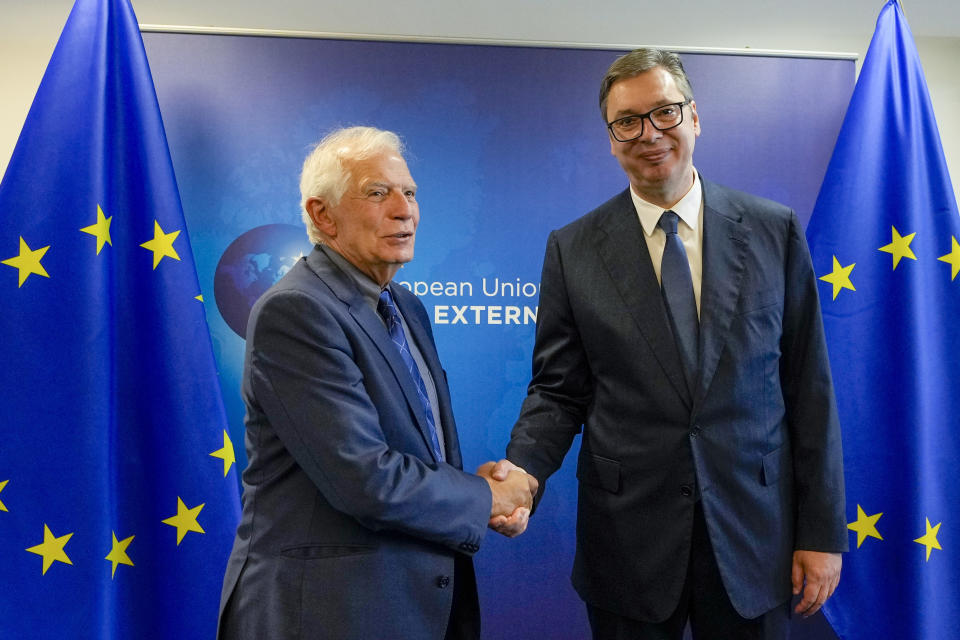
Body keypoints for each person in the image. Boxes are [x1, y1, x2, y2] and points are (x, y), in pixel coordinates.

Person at [491, 49, 847, 639]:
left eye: (665, 113)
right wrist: (524, 471)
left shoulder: (773, 231)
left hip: (754, 537)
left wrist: (820, 533)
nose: (648, 134)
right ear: (611, 139)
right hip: (627, 541)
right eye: (627, 121)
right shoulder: (572, 249)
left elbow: (808, 390)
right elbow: (558, 390)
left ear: (695, 117)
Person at [218, 126, 535, 640]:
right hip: (328, 614)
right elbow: (363, 478)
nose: (404, 209)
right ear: (323, 215)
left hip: (413, 604)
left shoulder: (406, 307)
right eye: (377, 192)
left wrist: (482, 498)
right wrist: (484, 499)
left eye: (409, 193)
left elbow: (418, 454)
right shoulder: (296, 310)